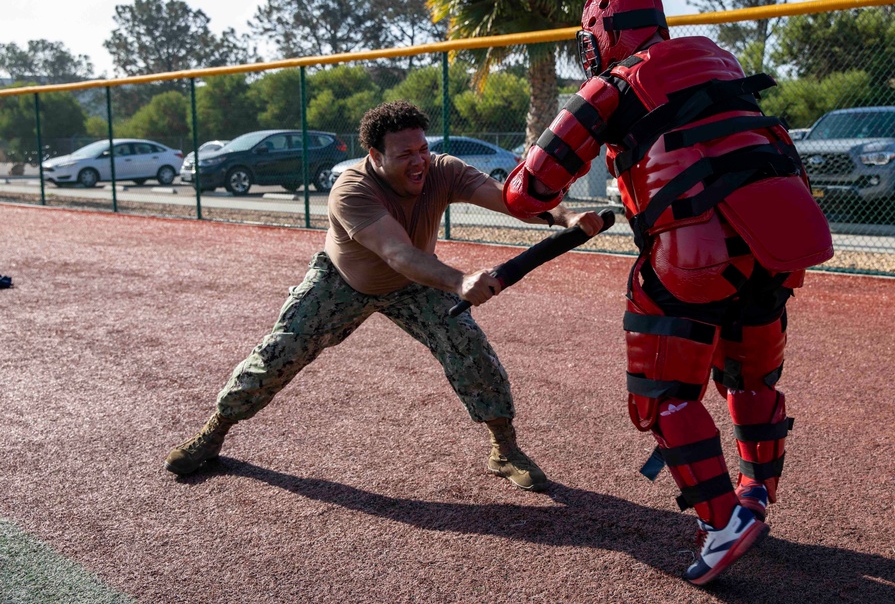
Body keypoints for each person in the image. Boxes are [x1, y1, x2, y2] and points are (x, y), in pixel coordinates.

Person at [503, 0, 833, 584]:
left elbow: (531, 193)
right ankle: (755, 495)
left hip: (694, 256)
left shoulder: (612, 84)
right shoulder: (717, 59)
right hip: (773, 247)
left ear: (603, 32)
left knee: (663, 395)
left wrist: (517, 173)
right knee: (750, 379)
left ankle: (722, 521)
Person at [165, 100, 603, 492]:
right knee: (279, 353)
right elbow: (397, 253)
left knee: (470, 351)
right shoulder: (352, 189)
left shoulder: (443, 170)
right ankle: (215, 431)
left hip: (415, 284)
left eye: (422, 149)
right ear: (375, 155)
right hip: (344, 282)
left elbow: (512, 201)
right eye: (405, 154)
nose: (419, 162)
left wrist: (566, 217)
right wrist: (459, 281)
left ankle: (504, 449)